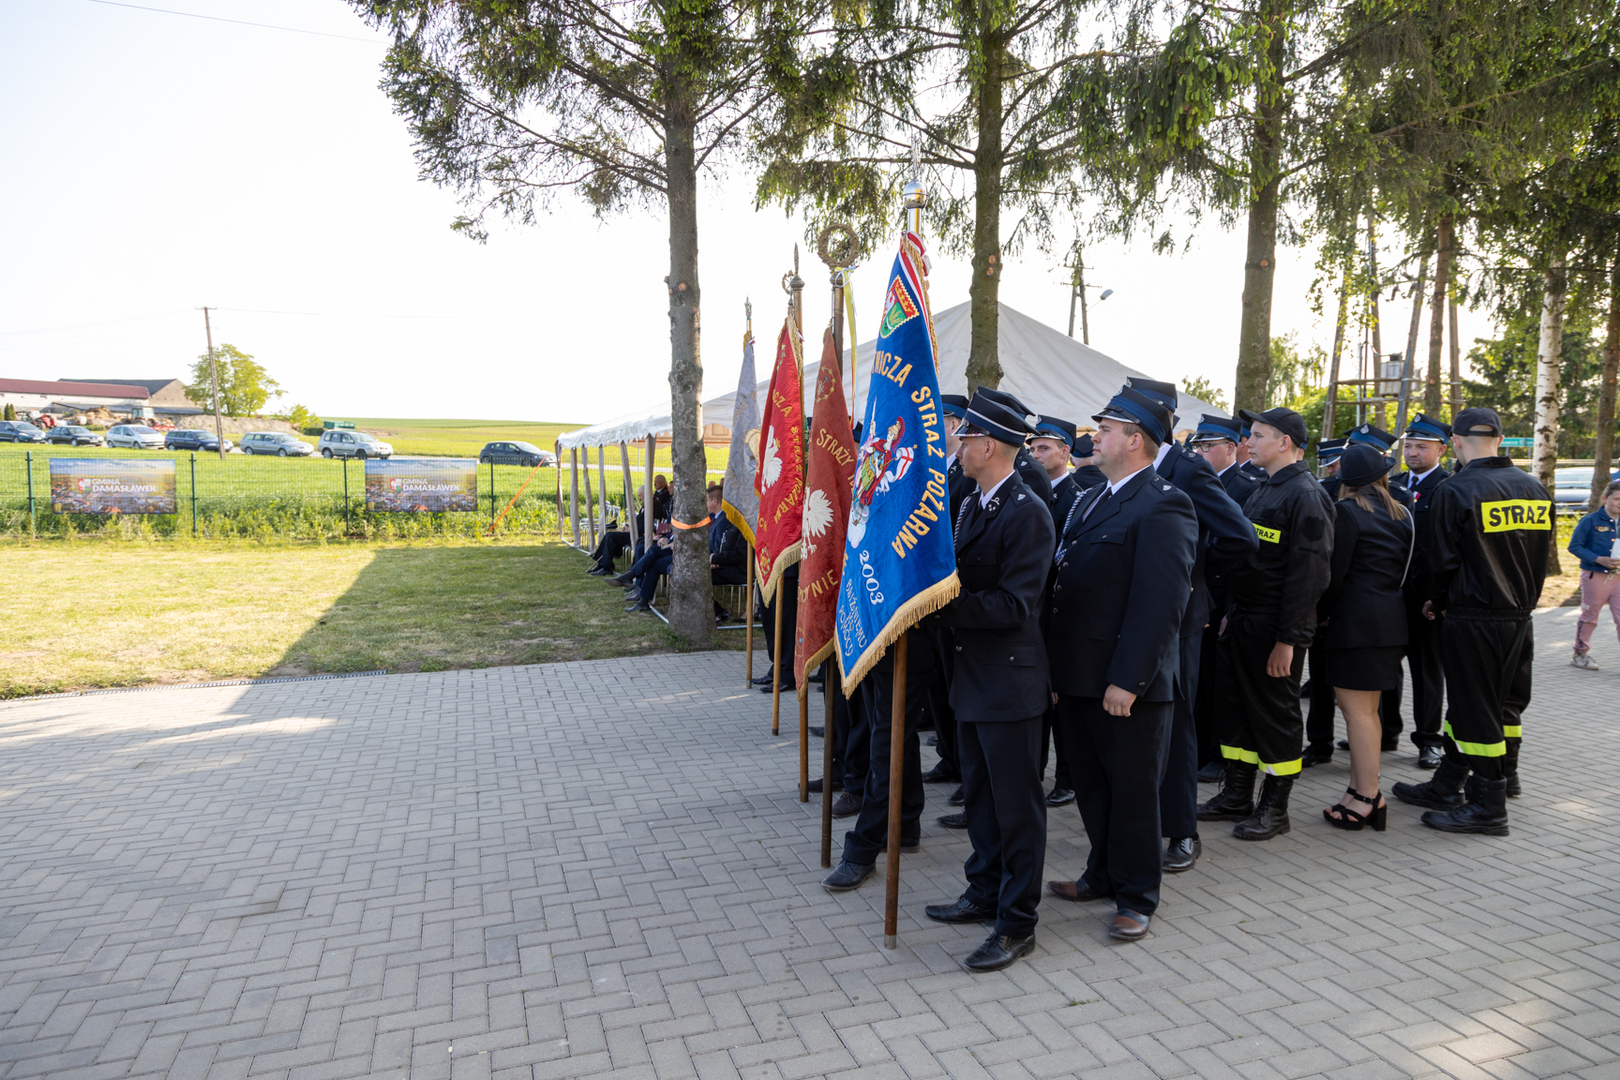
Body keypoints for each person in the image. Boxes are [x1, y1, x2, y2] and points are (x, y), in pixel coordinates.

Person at [1043, 387, 1197, 941]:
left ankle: (1136, 896)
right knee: (1092, 787)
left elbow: (1160, 604)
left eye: (1105, 429)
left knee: (1132, 794)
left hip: (1124, 683)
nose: (1095, 437)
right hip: (1080, 674)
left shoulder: (1164, 503)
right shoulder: (1092, 497)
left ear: (1135, 440)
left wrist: (1128, 680)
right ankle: (1102, 873)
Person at [923, 390, 1055, 973]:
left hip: (1008, 682)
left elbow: (1013, 605)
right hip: (973, 676)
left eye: (967, 435)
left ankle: (1016, 921)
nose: (958, 443)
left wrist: (940, 606)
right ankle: (984, 888)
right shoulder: (975, 504)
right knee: (980, 795)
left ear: (991, 446)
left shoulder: (1026, 512)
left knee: (1015, 807)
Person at [1392, 408, 1551, 833]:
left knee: (1473, 708)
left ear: (1456, 443)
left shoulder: (1456, 489)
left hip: (1473, 614)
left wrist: (1437, 600)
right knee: (1503, 703)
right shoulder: (1535, 488)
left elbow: (1442, 560)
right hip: (1519, 615)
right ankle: (1475, 780)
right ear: (1499, 439)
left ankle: (1487, 805)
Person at [1126, 380, 1257, 875]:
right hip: (1137, 612)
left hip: (1180, 619)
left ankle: (1183, 831)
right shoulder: (1129, 468)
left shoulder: (1188, 468)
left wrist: (1195, 573)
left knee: (1178, 725)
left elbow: (1240, 537)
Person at [1197, 406, 1334, 841]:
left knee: (1275, 717)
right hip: (1243, 620)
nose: (1248, 442)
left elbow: (1309, 577)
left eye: (1257, 435)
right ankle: (1237, 794)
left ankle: (1275, 808)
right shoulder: (1264, 488)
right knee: (1236, 710)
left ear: (1285, 442)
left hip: (1274, 627)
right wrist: (1229, 615)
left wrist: (1288, 640)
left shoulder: (1306, 496)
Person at [1316, 445, 1414, 831]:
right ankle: (1360, 791)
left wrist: (1320, 615)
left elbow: (1333, 575)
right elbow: (1406, 570)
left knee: (1356, 712)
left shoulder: (1346, 511)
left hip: (1353, 624)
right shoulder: (1401, 512)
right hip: (1389, 621)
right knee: (1366, 712)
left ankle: (1368, 796)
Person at [1189, 414, 1260, 785]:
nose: (1200, 453)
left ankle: (1220, 754)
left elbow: (1244, 552)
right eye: (1197, 446)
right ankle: (1201, 749)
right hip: (1201, 597)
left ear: (1231, 448)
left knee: (1219, 685)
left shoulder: (1246, 487)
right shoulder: (1194, 481)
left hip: (1224, 598)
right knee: (1199, 682)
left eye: (1207, 446)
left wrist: (1230, 602)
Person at [1391, 413, 1453, 767]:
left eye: (1421, 447)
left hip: (1428, 600)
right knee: (1386, 668)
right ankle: (1385, 732)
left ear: (1441, 450)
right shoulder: (1393, 485)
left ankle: (1429, 740)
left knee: (1428, 673)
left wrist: (1440, 596)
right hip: (1392, 597)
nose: (1412, 453)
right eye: (1409, 446)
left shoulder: (1448, 487)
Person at [922, 393, 975, 793]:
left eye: (935, 419)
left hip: (956, 592)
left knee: (956, 682)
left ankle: (965, 765)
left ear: (953, 424)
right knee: (937, 680)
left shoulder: (965, 472)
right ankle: (949, 755)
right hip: (931, 595)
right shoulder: (932, 467)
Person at [1030, 413, 1082, 809]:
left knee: (1061, 700)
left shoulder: (1076, 497)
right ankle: (1034, 771)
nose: (1036, 454)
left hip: (1058, 608)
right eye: (1033, 447)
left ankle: (1068, 776)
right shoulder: (1031, 491)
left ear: (1066, 452)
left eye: (1044, 447)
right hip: (1033, 610)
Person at [1568, 480, 1620, 669]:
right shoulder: (1590, 521)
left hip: (1618, 578)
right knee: (1590, 616)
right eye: (1617, 499)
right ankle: (1580, 653)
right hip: (1595, 576)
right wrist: (1599, 559)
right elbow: (1575, 546)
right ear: (1605, 498)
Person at [707, 485, 746, 621]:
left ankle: (718, 613)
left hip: (739, 571)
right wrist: (716, 559)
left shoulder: (744, 525)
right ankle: (718, 611)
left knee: (699, 577)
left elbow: (739, 554)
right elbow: (723, 545)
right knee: (696, 574)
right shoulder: (732, 521)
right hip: (726, 566)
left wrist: (716, 558)